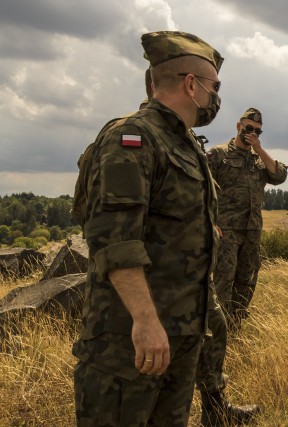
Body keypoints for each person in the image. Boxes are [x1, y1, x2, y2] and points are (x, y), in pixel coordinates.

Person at [71, 30, 255, 426]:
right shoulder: (132, 138)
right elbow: (115, 241)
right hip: (130, 341)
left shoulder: (185, 143)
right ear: (191, 85)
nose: (215, 97)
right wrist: (146, 321)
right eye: (213, 86)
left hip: (180, 333)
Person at [204, 108, 288, 331]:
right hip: (226, 230)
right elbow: (201, 190)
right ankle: (217, 331)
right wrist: (210, 223)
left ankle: (234, 326)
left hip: (251, 231)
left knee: (247, 281)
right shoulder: (218, 154)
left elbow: (280, 175)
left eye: (258, 131)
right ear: (238, 126)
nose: (252, 133)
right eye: (248, 128)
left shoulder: (258, 160)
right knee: (224, 281)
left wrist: (259, 149)